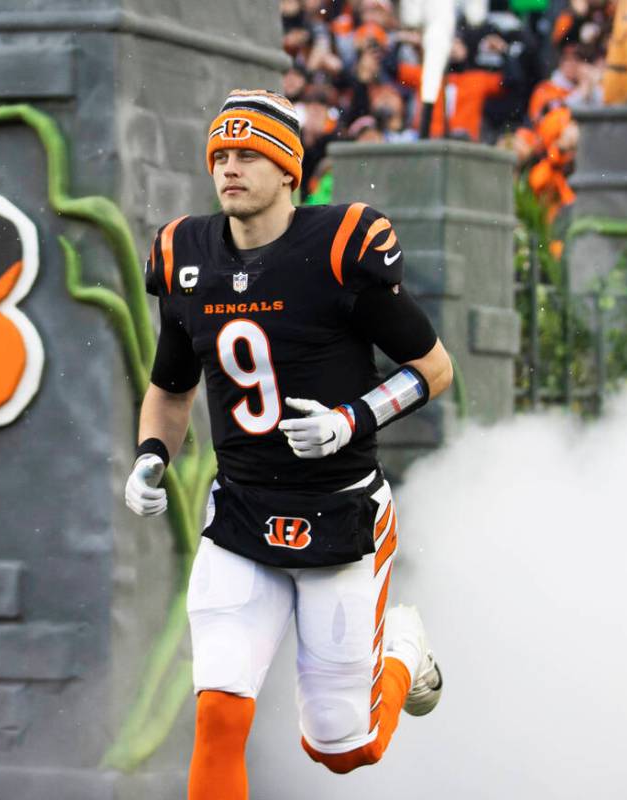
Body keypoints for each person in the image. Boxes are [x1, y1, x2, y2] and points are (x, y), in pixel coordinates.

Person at [124, 89, 454, 799]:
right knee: (217, 711)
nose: (230, 168)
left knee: (342, 750)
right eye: (221, 155)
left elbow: (433, 371)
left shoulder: (339, 248)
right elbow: (172, 388)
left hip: (338, 516)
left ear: (288, 171)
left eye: (249, 154)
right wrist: (151, 455)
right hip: (241, 514)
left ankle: (402, 647)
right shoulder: (187, 255)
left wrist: (351, 419)